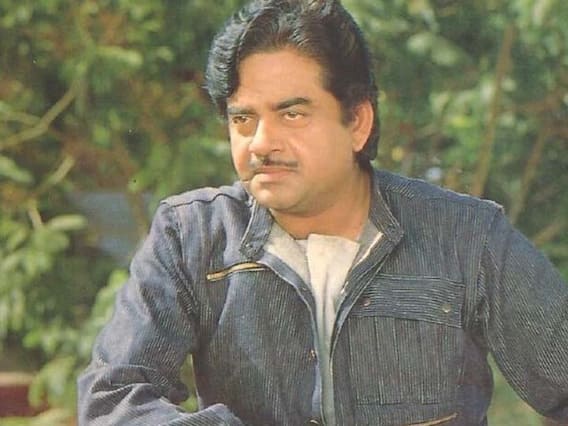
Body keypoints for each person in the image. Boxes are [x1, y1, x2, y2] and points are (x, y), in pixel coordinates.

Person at [77, 0, 568, 425]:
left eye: (292, 114)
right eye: (243, 119)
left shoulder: (467, 236)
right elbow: (114, 398)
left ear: (357, 123)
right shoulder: (191, 236)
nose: (261, 143)